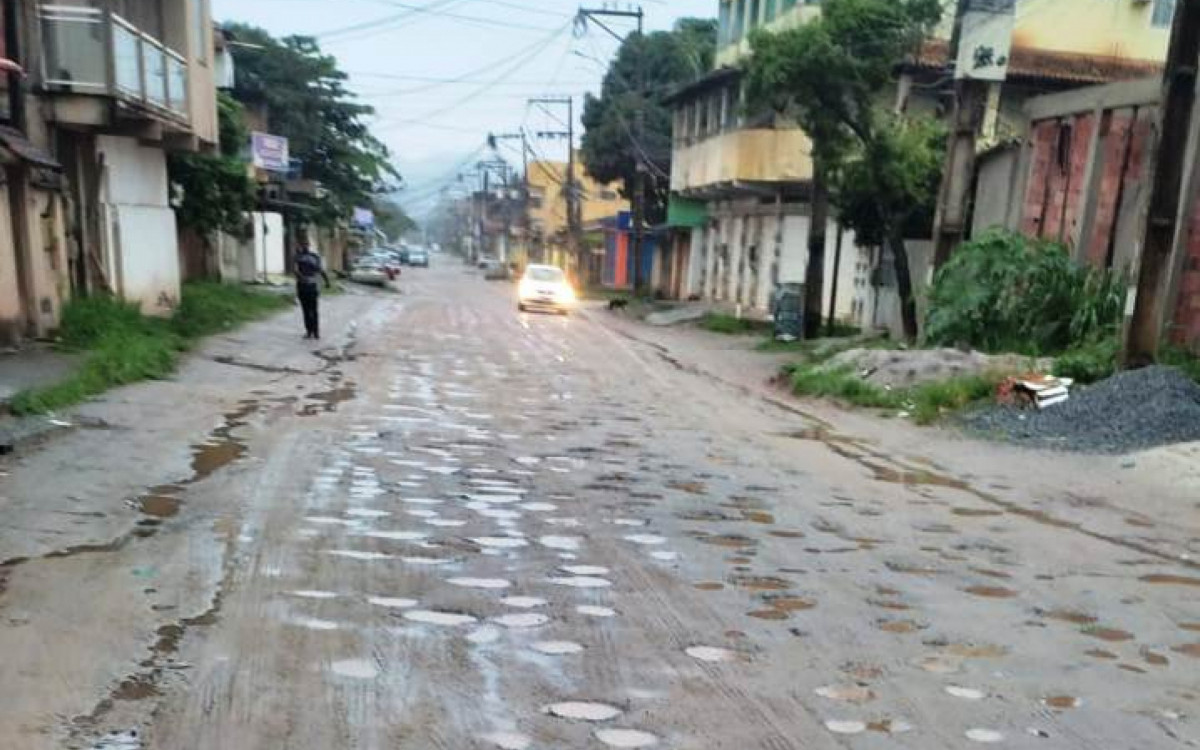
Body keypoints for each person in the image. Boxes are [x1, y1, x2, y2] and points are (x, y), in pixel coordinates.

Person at [294, 235, 331, 340]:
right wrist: (327, 282)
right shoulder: (312, 257)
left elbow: (296, 271)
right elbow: (320, 270)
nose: (304, 246)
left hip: (306, 285)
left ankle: (312, 331)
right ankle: (313, 331)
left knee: (309, 310)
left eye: (305, 244)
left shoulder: (300, 257)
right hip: (308, 285)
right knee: (310, 309)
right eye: (304, 244)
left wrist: (327, 281)